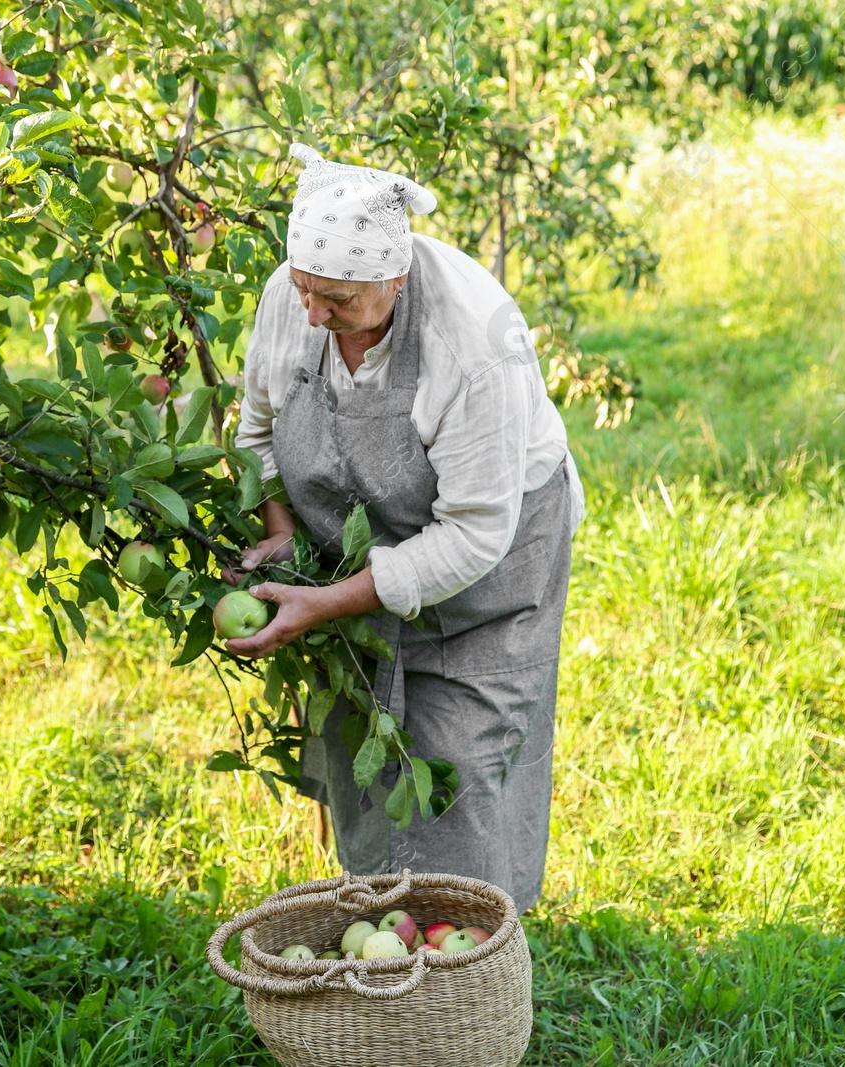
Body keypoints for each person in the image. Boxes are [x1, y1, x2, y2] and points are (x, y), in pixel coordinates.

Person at [224, 143, 583, 913]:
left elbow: (474, 533)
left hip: (494, 565)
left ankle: (469, 978)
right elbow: (256, 430)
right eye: (304, 290)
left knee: (461, 761)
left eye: (339, 302)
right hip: (368, 539)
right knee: (364, 750)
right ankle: (379, 951)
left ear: (395, 278)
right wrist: (284, 530)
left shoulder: (473, 340)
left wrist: (328, 602)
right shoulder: (296, 299)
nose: (314, 314)